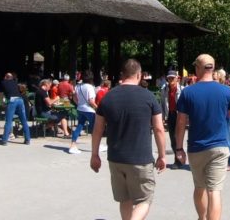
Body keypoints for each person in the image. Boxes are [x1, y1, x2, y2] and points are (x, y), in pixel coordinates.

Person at [90, 59, 167, 220]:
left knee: (124, 198)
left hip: (116, 158)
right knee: (145, 199)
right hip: (140, 158)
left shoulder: (108, 97)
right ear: (139, 75)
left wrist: (94, 154)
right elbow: (159, 129)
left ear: (122, 75)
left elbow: (97, 130)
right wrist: (162, 155)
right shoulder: (149, 97)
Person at [174, 54, 230, 220]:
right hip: (219, 147)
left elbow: (180, 123)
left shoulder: (188, 92)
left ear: (198, 68)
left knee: (200, 187)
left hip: (196, 147)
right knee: (215, 190)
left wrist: (179, 148)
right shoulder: (226, 90)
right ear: (212, 68)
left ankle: (201, 218)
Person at [69, 71, 98, 154]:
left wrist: (79, 104)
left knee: (79, 126)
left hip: (80, 108)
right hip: (89, 110)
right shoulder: (90, 87)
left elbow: (74, 97)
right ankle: (96, 147)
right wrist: (98, 108)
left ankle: (73, 145)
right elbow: (91, 101)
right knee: (94, 129)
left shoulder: (78, 86)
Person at [0, 73, 31, 146]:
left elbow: (1, 94)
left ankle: (4, 140)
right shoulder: (15, 82)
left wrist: (2, 103)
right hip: (20, 100)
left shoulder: (3, 82)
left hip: (12, 100)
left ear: (5, 77)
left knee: (8, 121)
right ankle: (27, 140)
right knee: (24, 120)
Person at [159, 71, 183, 168]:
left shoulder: (182, 89)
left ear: (177, 78)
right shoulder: (164, 89)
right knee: (173, 139)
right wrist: (162, 117)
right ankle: (178, 158)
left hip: (180, 115)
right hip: (170, 115)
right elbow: (162, 104)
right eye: (169, 78)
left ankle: (179, 160)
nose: (171, 80)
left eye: (173, 78)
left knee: (178, 137)